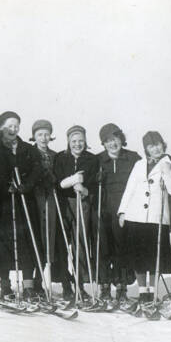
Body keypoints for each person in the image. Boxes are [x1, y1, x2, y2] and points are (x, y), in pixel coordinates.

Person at [0, 111, 43, 301]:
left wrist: (28, 185)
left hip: (24, 200)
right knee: (3, 244)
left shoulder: (27, 148)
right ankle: (5, 286)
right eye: (9, 125)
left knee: (27, 241)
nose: (13, 129)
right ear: (1, 127)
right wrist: (1, 185)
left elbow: (37, 168)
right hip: (3, 203)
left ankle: (28, 286)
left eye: (16, 125)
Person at [117, 131, 171, 305]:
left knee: (154, 258)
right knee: (138, 257)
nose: (155, 149)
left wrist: (167, 172)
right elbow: (130, 188)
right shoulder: (139, 164)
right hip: (135, 216)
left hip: (157, 217)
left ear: (164, 144)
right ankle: (142, 293)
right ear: (146, 148)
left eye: (158, 144)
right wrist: (122, 211)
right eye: (151, 146)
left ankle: (152, 292)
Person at [53, 125, 99, 301]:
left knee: (80, 243)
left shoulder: (91, 159)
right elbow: (57, 181)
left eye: (80, 141)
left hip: (82, 202)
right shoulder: (60, 157)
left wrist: (85, 189)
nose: (77, 144)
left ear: (85, 141)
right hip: (63, 203)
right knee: (63, 244)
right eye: (74, 141)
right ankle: (66, 285)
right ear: (68, 142)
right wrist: (72, 181)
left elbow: (94, 182)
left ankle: (79, 285)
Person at [96, 123, 141, 303]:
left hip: (126, 211)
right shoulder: (97, 160)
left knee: (123, 248)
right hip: (103, 210)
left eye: (115, 139)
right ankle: (105, 286)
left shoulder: (133, 158)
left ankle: (122, 286)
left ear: (121, 139)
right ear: (103, 144)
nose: (112, 144)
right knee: (104, 248)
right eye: (107, 141)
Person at [29, 119, 58, 297]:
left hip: (51, 198)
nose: (43, 138)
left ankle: (40, 279)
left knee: (48, 237)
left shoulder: (55, 155)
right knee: (36, 236)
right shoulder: (30, 153)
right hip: (35, 198)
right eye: (40, 134)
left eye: (47, 134)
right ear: (34, 136)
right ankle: (31, 281)